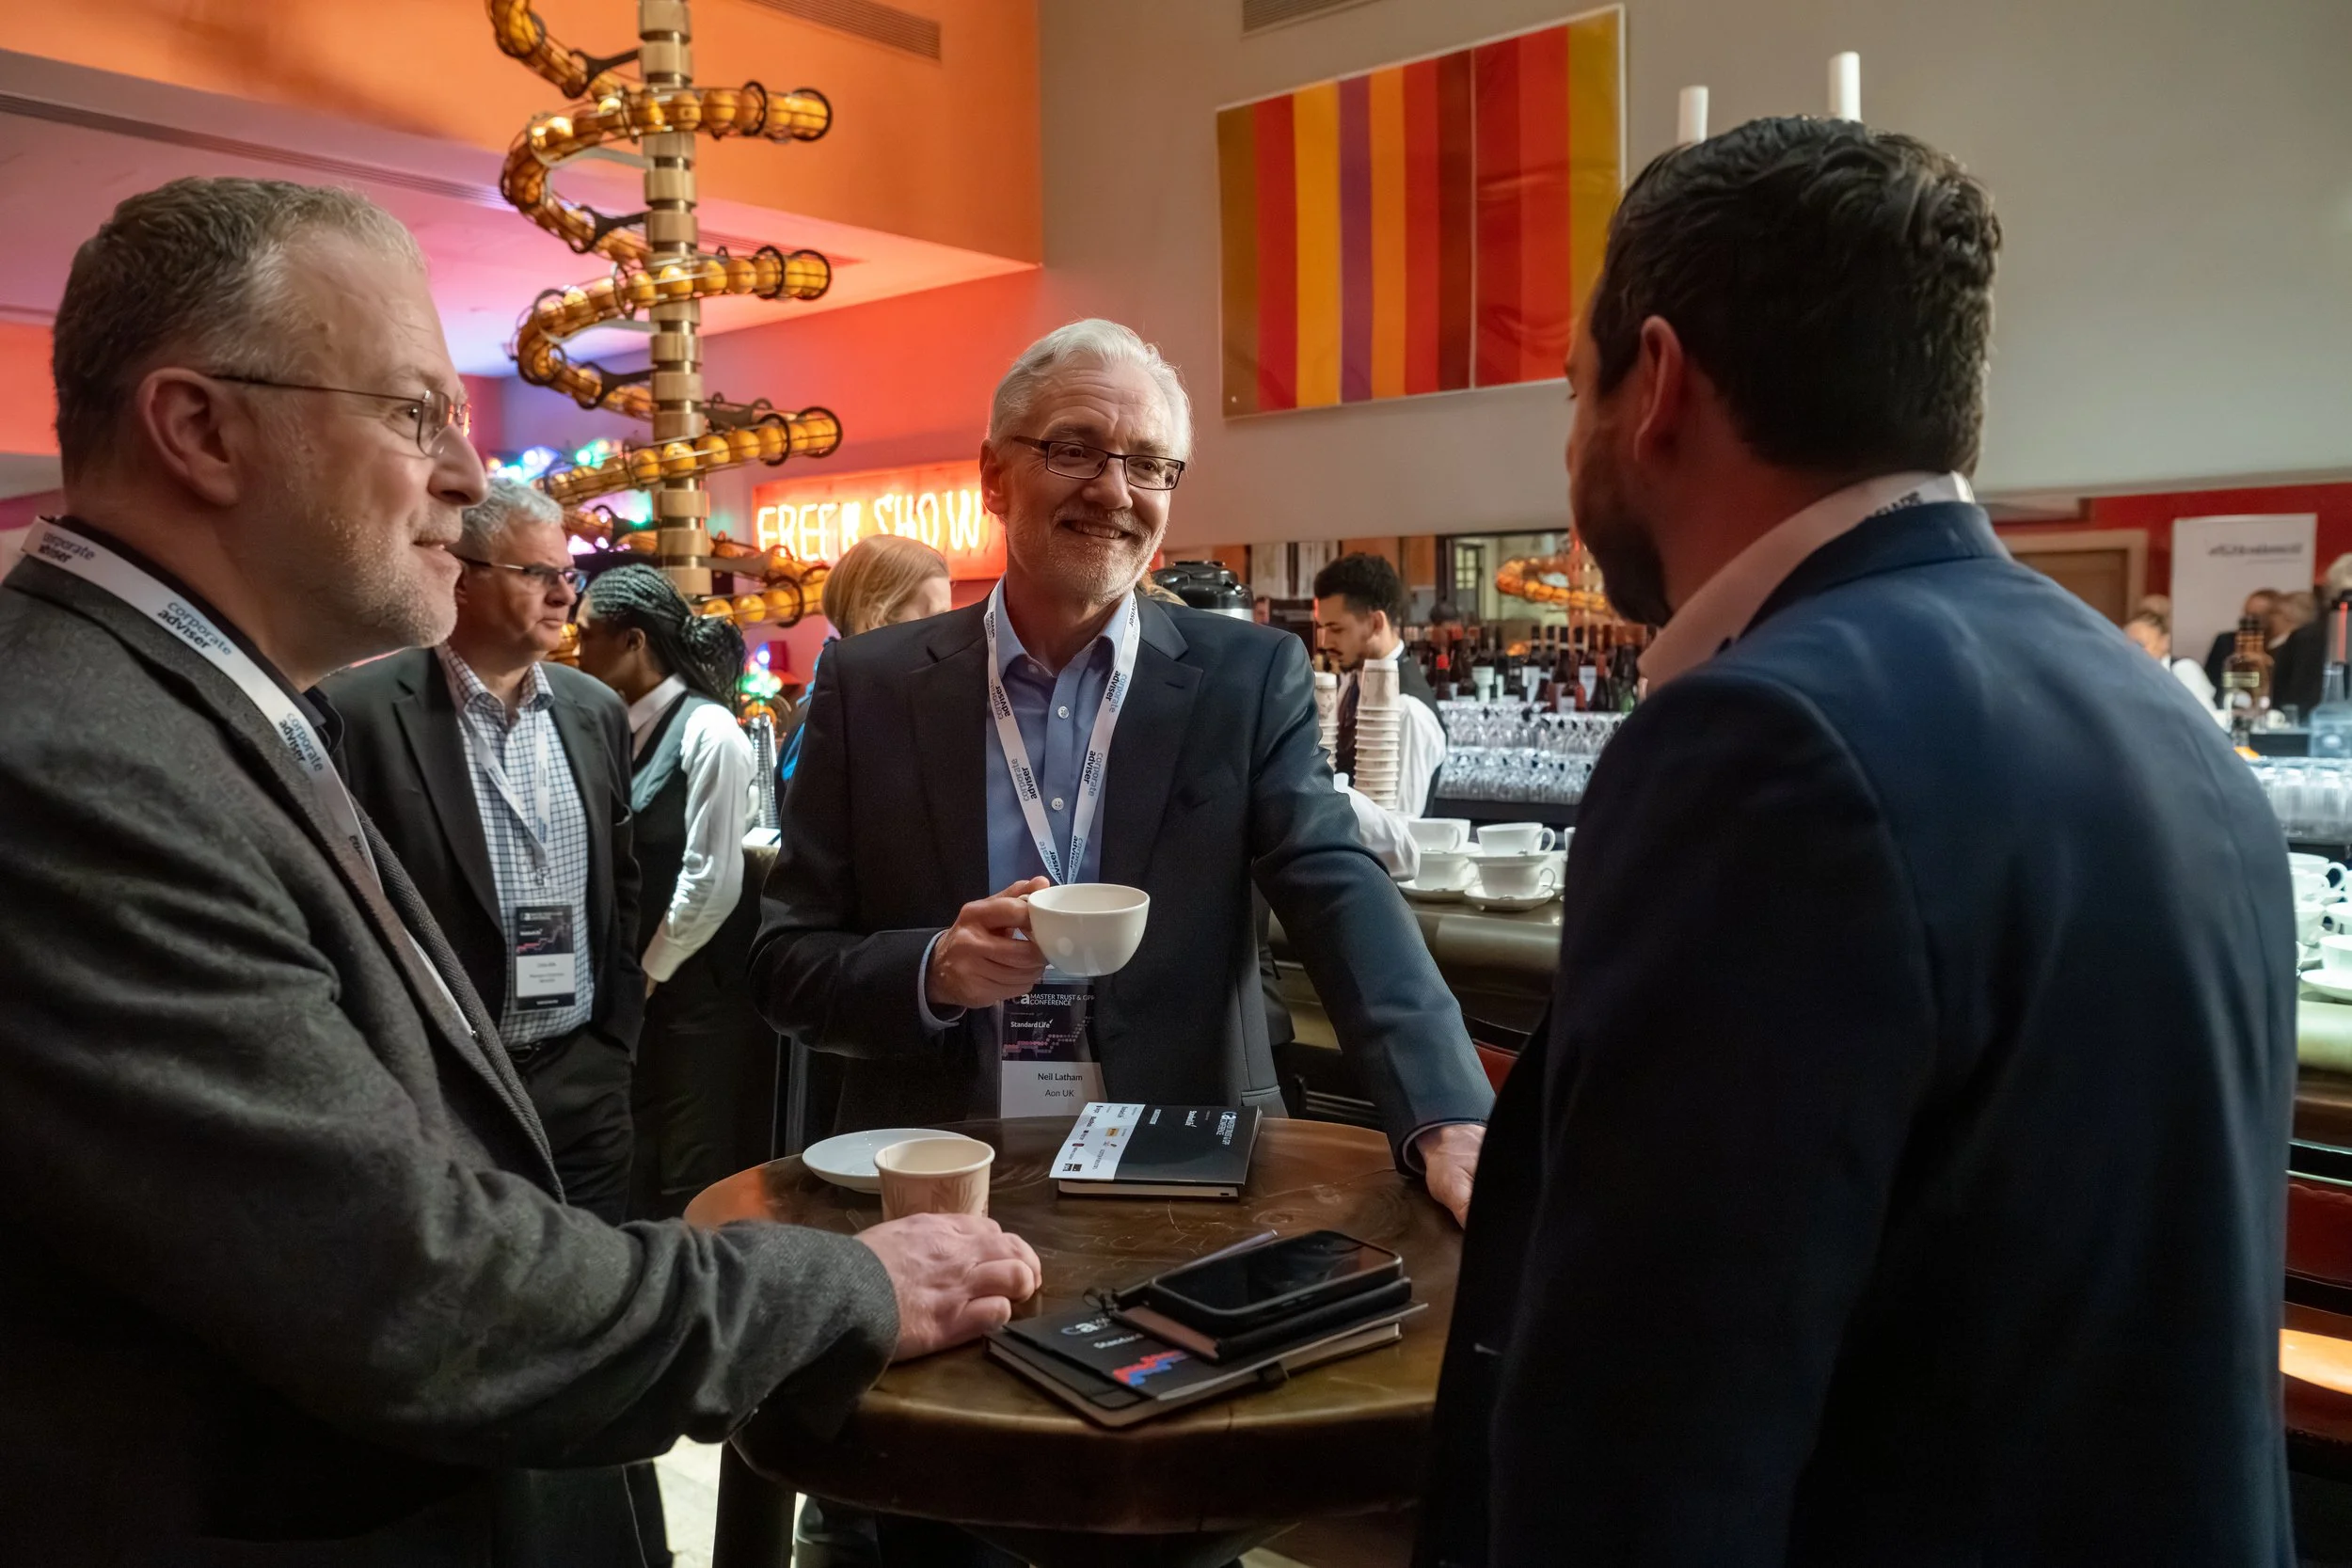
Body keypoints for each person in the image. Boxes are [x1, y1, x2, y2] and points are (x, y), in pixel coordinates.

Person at [0, 175, 1040, 1566]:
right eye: (415, 412)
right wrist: (841, 1279)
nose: (470, 475)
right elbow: (413, 1286)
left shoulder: (207, 709)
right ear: (200, 427)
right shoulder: (76, 761)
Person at [1420, 119, 2292, 1566]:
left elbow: (1653, 1433)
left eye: (1573, 393)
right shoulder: (2163, 716)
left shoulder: (1765, 744)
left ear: (1659, 384)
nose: (1569, 444)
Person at [755, 318, 1491, 1209]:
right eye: (1075, 449)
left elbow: (1334, 881)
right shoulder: (872, 685)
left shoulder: (1245, 678)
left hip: (1183, 1167)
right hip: (940, 1171)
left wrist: (1447, 1113)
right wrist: (935, 967)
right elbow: (787, 963)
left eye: (1150, 464)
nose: (1114, 491)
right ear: (993, 475)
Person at [327, 479, 644, 1226]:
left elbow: (624, 885)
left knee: (601, 1309)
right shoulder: (360, 714)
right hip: (449, 1089)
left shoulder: (595, 709)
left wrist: (615, 1041)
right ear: (462, 575)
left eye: (570, 575)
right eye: (539, 574)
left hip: (583, 1078)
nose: (566, 595)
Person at [570, 564, 761, 1220]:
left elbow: (712, 877)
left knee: (692, 1165)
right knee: (638, 1156)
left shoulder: (712, 733)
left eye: (588, 634)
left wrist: (649, 972)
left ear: (635, 642)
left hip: (694, 992)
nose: (577, 650)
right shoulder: (609, 726)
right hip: (632, 989)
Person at [779, 533, 952, 790]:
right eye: (934, 619)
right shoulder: (824, 722)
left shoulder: (899, 706)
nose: (947, 633)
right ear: (877, 618)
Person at [1313, 551, 1448, 816]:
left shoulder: (1408, 710)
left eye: (1337, 629)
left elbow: (1397, 827)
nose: (1325, 642)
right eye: (1323, 629)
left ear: (1376, 623)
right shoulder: (1351, 682)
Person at [2125, 603, 2220, 709]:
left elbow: (2204, 715)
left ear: (2164, 642)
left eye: (2141, 644)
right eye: (2127, 645)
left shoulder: (2183, 669)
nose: (2132, 651)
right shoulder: (2126, 674)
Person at [2204, 588, 2279, 692]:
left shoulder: (2280, 648)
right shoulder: (2226, 642)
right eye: (2247, 614)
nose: (2249, 620)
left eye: (2256, 616)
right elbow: (2211, 681)